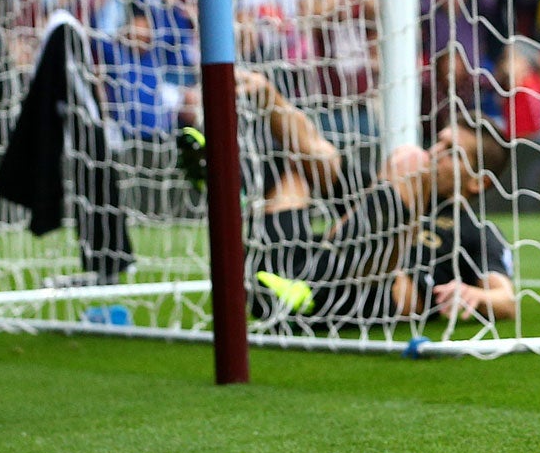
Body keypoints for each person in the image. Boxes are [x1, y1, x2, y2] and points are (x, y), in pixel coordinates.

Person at [216, 70, 517, 328]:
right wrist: (270, 96)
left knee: (408, 160)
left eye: (451, 152)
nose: (435, 153)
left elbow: (506, 300)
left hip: (375, 295)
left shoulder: (474, 231)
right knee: (298, 168)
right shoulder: (382, 192)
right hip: (299, 282)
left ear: (479, 182)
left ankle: (305, 284)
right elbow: (312, 146)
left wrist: (476, 297)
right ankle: (222, 178)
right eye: (439, 142)